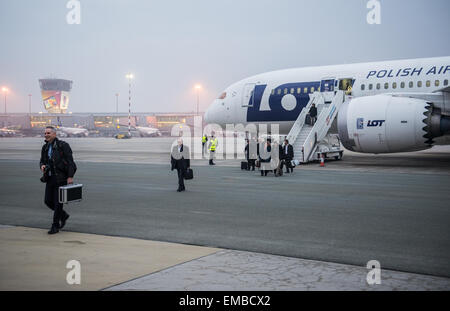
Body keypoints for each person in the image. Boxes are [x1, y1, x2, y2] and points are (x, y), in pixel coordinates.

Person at [40, 126, 76, 234]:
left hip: (61, 178)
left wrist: (70, 176)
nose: (46, 135)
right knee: (47, 201)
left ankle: (55, 226)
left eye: (48, 133)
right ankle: (63, 215)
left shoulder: (63, 146)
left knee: (57, 203)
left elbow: (71, 162)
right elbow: (42, 161)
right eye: (45, 133)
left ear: (55, 134)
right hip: (50, 178)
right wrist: (42, 166)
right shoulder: (45, 147)